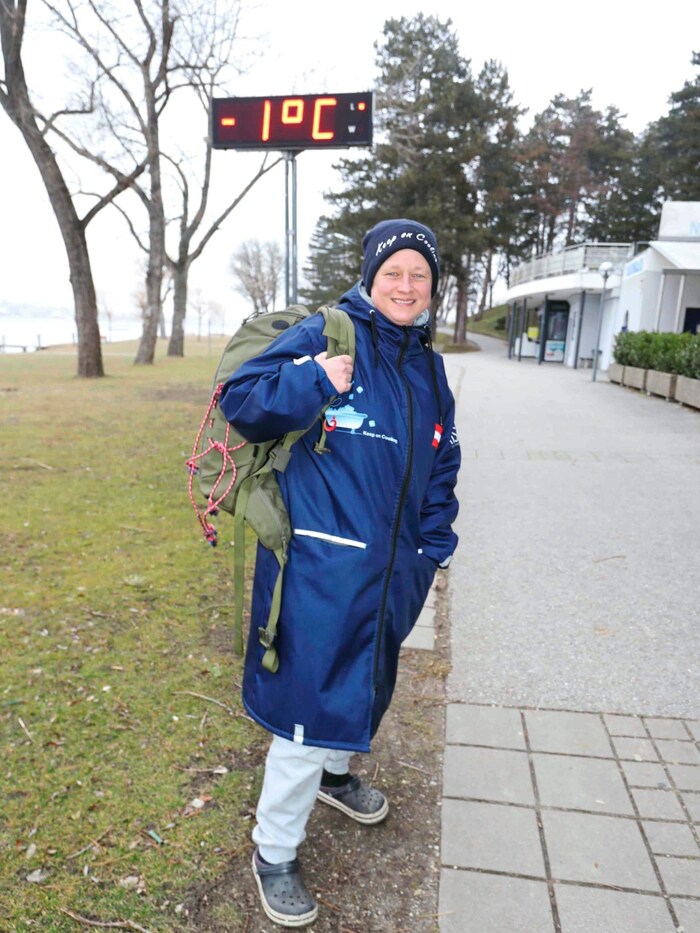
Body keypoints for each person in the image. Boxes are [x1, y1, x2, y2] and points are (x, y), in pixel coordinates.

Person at [219, 218, 461, 927]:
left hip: (393, 570)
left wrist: (434, 543)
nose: (407, 286)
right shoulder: (331, 332)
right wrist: (309, 380)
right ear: (370, 276)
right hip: (322, 568)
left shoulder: (429, 364)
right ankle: (275, 850)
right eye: (395, 273)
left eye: (419, 275)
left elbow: (443, 456)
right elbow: (243, 398)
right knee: (304, 710)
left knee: (363, 682)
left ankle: (335, 776)